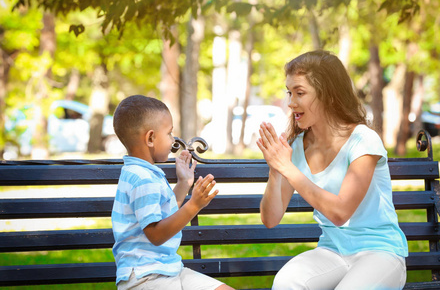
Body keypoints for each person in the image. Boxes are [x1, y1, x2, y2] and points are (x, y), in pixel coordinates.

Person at [257, 50, 408, 290]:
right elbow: (271, 219)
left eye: (300, 93)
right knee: (286, 283)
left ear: (327, 95)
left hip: (380, 253)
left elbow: (340, 213)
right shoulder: (297, 147)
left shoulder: (363, 140)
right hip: (332, 251)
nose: (290, 102)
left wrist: (288, 168)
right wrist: (276, 170)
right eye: (289, 92)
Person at [111, 95, 234, 290]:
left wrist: (184, 183)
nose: (173, 140)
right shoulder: (142, 178)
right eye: (169, 133)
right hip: (145, 277)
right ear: (151, 138)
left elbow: (164, 214)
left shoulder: (145, 172)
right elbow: (156, 235)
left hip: (168, 269)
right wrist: (193, 205)